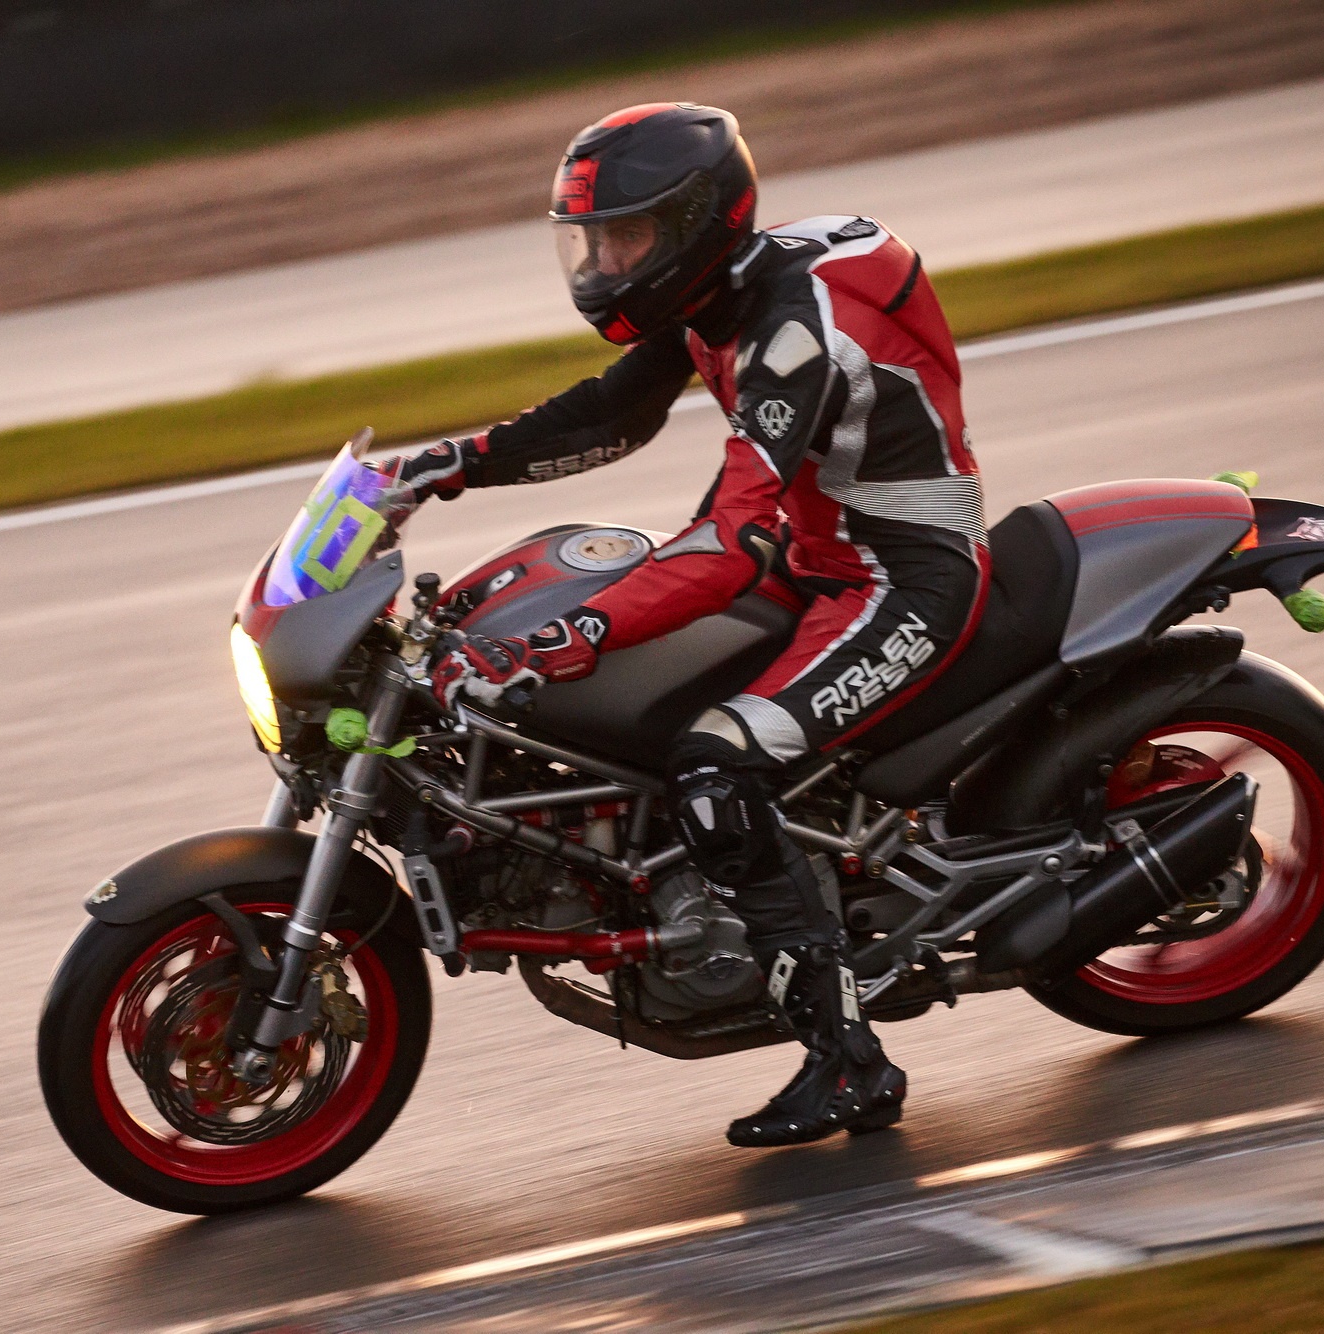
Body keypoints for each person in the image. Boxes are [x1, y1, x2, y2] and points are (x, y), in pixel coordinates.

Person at [392, 103, 989, 1148]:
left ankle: (849, 1062)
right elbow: (610, 414)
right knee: (642, 711)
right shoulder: (715, 298)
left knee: (713, 768)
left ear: (695, 222)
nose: (603, 264)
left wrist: (552, 643)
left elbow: (727, 543)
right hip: (817, 561)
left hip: (898, 577)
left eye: (625, 238)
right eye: (592, 242)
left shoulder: (791, 330)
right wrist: (444, 466)